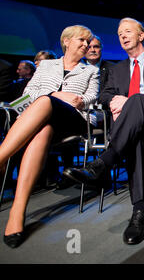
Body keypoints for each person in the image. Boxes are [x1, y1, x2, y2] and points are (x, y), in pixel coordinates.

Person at [63, 17, 144, 245]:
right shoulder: (117, 68)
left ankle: (105, 161)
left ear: (141, 36)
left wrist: (131, 101)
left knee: (137, 102)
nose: (122, 36)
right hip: (132, 126)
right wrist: (117, 100)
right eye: (119, 34)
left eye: (127, 32)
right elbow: (104, 95)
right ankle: (139, 211)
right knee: (136, 136)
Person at [1, 25, 99, 248]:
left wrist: (61, 99)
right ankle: (18, 210)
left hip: (73, 120)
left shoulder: (91, 71)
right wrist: (57, 95)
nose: (86, 45)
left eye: (88, 42)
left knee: (45, 101)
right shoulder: (46, 65)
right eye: (81, 40)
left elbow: (88, 98)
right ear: (67, 41)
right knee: (43, 128)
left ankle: (1, 158)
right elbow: (29, 92)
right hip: (43, 121)